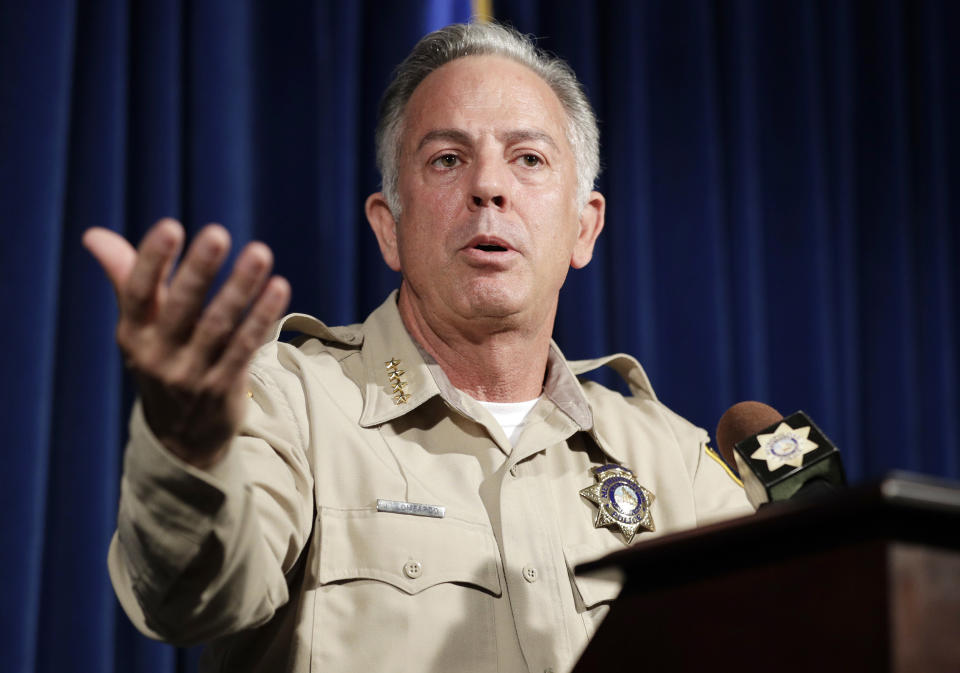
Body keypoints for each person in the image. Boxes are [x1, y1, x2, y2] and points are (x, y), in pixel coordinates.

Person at [85, 22, 751, 673]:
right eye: (447, 159)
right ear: (390, 227)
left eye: (529, 158)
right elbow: (190, 599)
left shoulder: (671, 461)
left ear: (584, 227)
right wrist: (187, 455)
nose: (489, 187)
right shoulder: (290, 403)